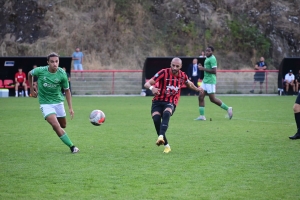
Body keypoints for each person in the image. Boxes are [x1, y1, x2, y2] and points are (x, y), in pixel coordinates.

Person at [144, 57, 203, 153]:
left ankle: (161, 136)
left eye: (177, 66)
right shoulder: (164, 72)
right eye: (173, 65)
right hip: (157, 101)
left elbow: (189, 84)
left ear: (181, 66)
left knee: (167, 113)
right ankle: (166, 145)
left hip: (170, 101)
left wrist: (197, 89)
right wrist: (152, 88)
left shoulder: (183, 76)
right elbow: (147, 84)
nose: (175, 68)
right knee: (156, 119)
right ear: (170, 64)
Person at [28, 52, 79, 153]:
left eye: (56, 61)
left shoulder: (62, 74)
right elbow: (30, 73)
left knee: (63, 125)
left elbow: (67, 90)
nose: (55, 64)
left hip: (58, 102)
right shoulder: (41, 70)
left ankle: (57, 128)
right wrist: (31, 90)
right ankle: (72, 146)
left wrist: (70, 108)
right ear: (48, 62)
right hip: (45, 103)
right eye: (52, 62)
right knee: (55, 125)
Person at [195, 46, 233, 121]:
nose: (207, 52)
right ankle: (202, 116)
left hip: (210, 81)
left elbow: (214, 71)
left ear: (212, 52)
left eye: (209, 51)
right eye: (206, 51)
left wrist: (203, 69)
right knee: (200, 96)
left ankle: (228, 108)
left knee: (212, 99)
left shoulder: (212, 59)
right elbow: (207, 69)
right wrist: (202, 67)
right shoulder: (207, 58)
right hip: (205, 81)